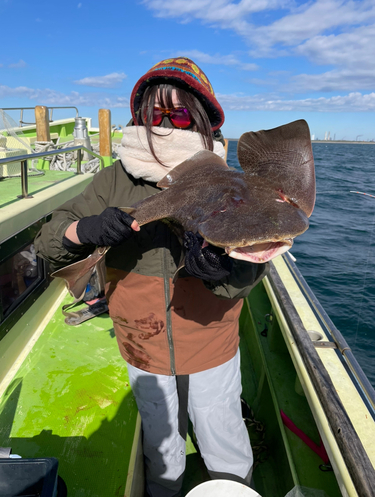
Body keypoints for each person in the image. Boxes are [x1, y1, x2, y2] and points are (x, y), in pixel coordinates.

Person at [35, 57, 269, 497]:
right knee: (161, 444)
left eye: (177, 113)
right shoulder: (112, 180)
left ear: (202, 118)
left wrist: (221, 269)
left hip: (210, 339)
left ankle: (235, 485)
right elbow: (47, 243)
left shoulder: (225, 183)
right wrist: (84, 230)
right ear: (136, 117)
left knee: (222, 430)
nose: (163, 124)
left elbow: (245, 277)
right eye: (152, 113)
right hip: (140, 341)